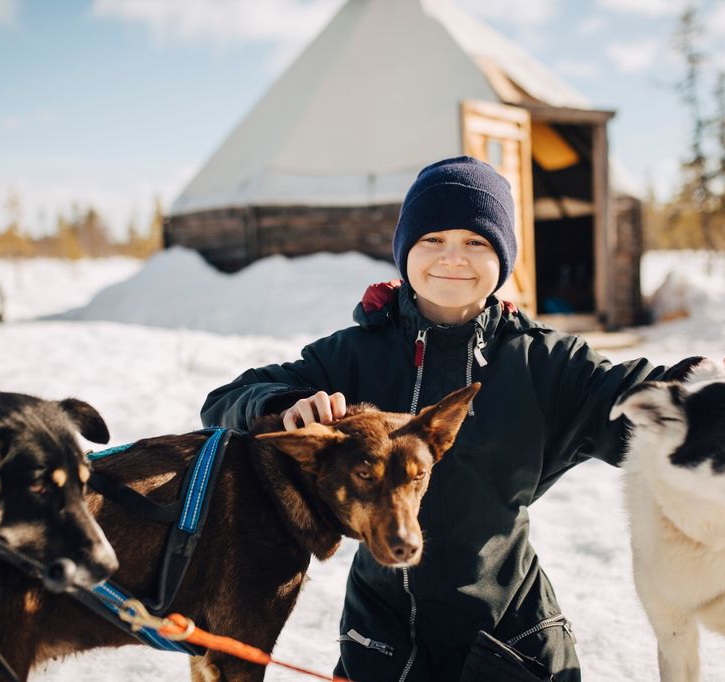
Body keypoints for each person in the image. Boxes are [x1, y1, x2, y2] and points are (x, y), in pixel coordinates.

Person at [201, 156, 671, 681]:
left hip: (509, 636)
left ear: (503, 257)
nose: (453, 258)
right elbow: (228, 399)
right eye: (432, 240)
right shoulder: (355, 354)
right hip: (381, 640)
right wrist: (281, 405)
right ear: (405, 251)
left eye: (476, 242)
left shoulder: (543, 362)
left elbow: (640, 402)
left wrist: (710, 389)